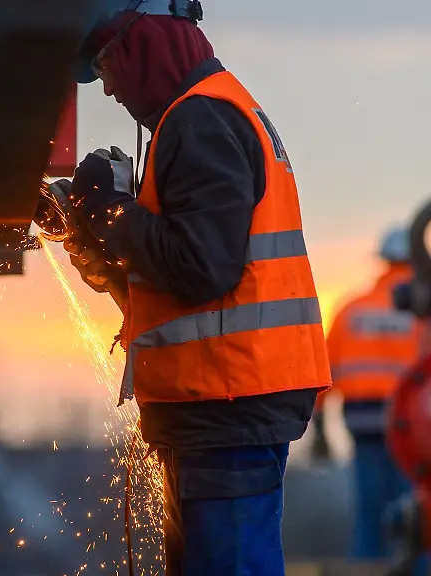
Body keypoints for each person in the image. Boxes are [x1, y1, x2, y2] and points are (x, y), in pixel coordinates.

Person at [62, 1, 332, 574]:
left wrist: (114, 212)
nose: (108, 90)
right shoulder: (206, 114)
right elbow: (190, 280)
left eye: (105, 66)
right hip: (221, 401)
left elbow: (202, 269)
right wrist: (109, 245)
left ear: (141, 42)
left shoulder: (201, 120)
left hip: (228, 402)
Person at [321, 227, 427, 569]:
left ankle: (366, 566)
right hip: (412, 424)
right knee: (416, 507)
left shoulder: (351, 309)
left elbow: (324, 371)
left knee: (369, 507)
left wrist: (320, 426)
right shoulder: (421, 313)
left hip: (361, 419)